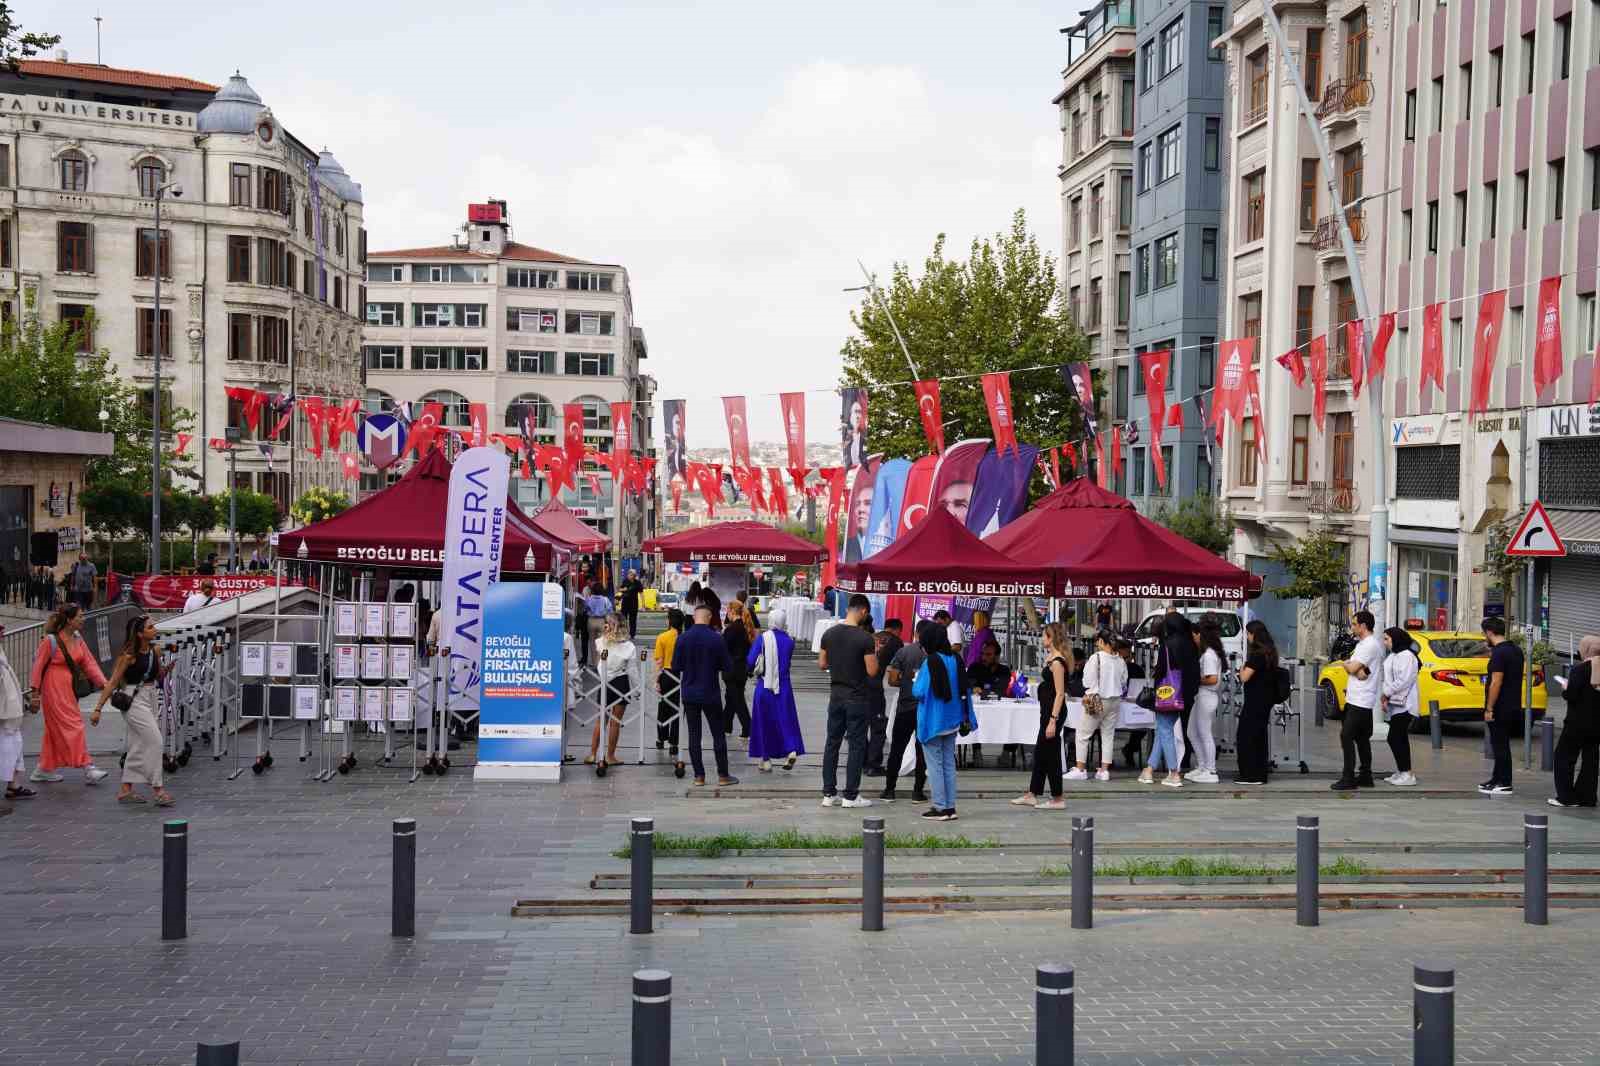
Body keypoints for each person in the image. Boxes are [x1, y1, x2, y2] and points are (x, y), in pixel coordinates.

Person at [91, 615, 175, 806]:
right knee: (155, 741)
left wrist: (166, 670)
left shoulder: (155, 650)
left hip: (150, 697)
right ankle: (158, 789)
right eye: (150, 627)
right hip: (134, 699)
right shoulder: (128, 656)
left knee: (138, 744)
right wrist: (98, 708)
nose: (155, 629)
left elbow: (156, 675)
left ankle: (125, 790)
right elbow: (112, 682)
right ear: (139, 634)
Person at [26, 604, 110, 785]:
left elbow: (89, 663)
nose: (83, 619)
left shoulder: (78, 638)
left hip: (68, 689)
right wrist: (35, 694)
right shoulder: (50, 641)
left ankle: (43, 769)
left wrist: (104, 684)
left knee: (54, 729)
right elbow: (37, 667)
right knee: (74, 725)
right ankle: (88, 767)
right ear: (69, 620)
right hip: (53, 689)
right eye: (80, 616)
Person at [817, 593, 879, 808]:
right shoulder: (865, 638)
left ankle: (828, 793)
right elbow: (872, 671)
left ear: (848, 609)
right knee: (856, 746)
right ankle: (850, 796)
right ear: (863, 611)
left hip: (836, 696)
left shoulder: (829, 634)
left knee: (832, 743)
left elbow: (822, 664)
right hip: (857, 698)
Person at [912, 623, 976, 821]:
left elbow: (919, 691)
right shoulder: (956, 659)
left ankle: (940, 807)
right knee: (948, 764)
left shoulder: (930, 662)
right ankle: (950, 806)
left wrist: (915, 679)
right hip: (953, 719)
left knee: (934, 766)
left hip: (933, 720)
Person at [670, 605, 737, 787]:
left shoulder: (683, 638)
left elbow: (676, 666)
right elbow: (727, 666)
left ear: (694, 617)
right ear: (709, 617)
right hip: (710, 692)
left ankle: (699, 776)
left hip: (689, 693)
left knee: (694, 735)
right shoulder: (716, 638)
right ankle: (723, 775)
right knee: (718, 734)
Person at [1012, 622, 1074, 807]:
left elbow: (1060, 693)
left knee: (1051, 754)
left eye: (1044, 636)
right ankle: (1033, 793)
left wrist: (1053, 721)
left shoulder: (1057, 662)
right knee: (1041, 752)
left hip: (1053, 714)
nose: (1041, 639)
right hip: (1047, 711)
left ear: (1051, 638)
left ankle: (1057, 797)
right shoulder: (1051, 658)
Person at [1331, 609, 1384, 791]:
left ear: (1363, 626)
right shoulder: (1363, 644)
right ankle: (1365, 775)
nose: (1352, 627)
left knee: (1346, 735)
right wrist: (1353, 667)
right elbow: (1359, 672)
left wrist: (1347, 664)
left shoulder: (1370, 645)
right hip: (1356, 697)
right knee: (1361, 738)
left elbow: (1354, 668)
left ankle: (1348, 777)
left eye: (1354, 624)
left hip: (1362, 699)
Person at [748, 608, 804, 772]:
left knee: (763, 722)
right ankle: (791, 749)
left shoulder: (763, 638)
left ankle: (765, 760)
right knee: (786, 719)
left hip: (765, 685)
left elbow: (750, 660)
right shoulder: (789, 641)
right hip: (784, 686)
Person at [881, 621, 929, 802]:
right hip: (925, 709)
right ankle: (918, 792)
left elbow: (892, 680)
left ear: (916, 633)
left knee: (897, 749)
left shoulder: (904, 652)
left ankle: (889, 790)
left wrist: (907, 682)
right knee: (922, 751)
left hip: (905, 707)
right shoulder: (935, 655)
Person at [1142, 614, 1191, 787]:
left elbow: (1161, 671)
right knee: (1163, 730)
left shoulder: (1167, 645)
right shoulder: (1189, 644)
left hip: (1166, 694)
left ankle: (1174, 773)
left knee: (1165, 731)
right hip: (1183, 695)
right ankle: (1149, 769)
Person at [1551, 635, 1600, 808]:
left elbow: (1572, 695)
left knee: (1564, 757)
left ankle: (1566, 797)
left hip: (1577, 722)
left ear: (1585, 649)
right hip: (1597, 723)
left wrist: (1566, 687)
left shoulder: (1580, 670)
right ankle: (1587, 796)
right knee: (1591, 759)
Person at [1068, 629, 1123, 783]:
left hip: (1097, 700)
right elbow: (1123, 680)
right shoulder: (1119, 659)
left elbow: (1086, 681)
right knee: (1108, 735)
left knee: (1083, 734)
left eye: (1097, 641)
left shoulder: (1096, 658)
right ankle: (1104, 771)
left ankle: (1080, 769)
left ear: (1101, 641)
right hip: (1115, 700)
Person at [587, 615, 638, 775]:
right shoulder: (629, 647)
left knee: (600, 720)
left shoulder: (600, 642)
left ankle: (593, 754)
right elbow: (632, 671)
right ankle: (610, 756)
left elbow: (599, 665)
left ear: (608, 626)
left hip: (605, 684)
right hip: (621, 683)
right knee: (615, 723)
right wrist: (637, 690)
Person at [1481, 616, 1523, 795]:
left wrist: (1489, 707)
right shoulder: (1515, 650)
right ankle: (1496, 778)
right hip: (1513, 703)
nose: (1484, 637)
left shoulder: (1499, 653)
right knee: (1500, 743)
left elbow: (1496, 682)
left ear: (1490, 632)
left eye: (1484, 633)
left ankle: (1505, 782)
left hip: (1500, 705)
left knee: (1500, 744)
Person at [1234, 620, 1279, 785]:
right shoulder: (1270, 652)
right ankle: (1259, 773)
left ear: (1255, 635)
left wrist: (1241, 668)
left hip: (1255, 701)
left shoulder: (1258, 654)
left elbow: (1244, 677)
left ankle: (1250, 774)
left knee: (1246, 736)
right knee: (1259, 737)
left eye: (1248, 633)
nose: (1247, 636)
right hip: (1264, 700)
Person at [1185, 620, 1225, 784]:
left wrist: (1194, 679)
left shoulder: (1209, 655)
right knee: (1192, 732)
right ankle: (1202, 766)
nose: (1194, 638)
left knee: (1204, 733)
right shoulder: (1209, 653)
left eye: (1195, 635)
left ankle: (1210, 769)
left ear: (1201, 635)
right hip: (1202, 696)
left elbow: (1212, 679)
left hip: (1206, 696)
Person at [1380, 626, 1421, 787]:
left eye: (1387, 639)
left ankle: (1407, 773)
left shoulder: (1407, 656)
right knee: (1399, 737)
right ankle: (1402, 771)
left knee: (1395, 737)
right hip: (1395, 704)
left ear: (1396, 639)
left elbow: (1404, 680)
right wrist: (1385, 696)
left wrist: (1386, 693)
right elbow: (1387, 679)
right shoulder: (1393, 656)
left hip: (1406, 704)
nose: (1385, 642)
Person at [0, 630, 37, 800]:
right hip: (4, 710)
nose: (2, 632)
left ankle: (13, 785)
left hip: (9, 710)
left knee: (14, 742)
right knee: (10, 743)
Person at [864, 620, 904, 775]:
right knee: (878, 726)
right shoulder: (896, 642)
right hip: (874, 687)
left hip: (859, 685)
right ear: (897, 630)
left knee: (861, 725)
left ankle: (861, 761)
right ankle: (873, 765)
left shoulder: (872, 637)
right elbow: (899, 667)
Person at [652, 608, 685, 766]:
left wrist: (656, 680)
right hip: (680, 675)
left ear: (669, 621)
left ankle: (661, 738)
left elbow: (659, 661)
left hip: (666, 674)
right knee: (677, 709)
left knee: (663, 707)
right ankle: (674, 743)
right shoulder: (684, 637)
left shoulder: (662, 637)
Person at [722, 601, 754, 740]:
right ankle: (726, 726)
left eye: (727, 611)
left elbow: (724, 648)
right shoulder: (744, 628)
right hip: (741, 669)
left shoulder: (731, 629)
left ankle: (749, 728)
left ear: (732, 611)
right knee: (732, 698)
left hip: (732, 669)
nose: (726, 614)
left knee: (737, 700)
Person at [619, 573, 643, 639]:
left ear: (634, 576)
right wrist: (623, 589)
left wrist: (643, 604)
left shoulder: (637, 583)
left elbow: (641, 593)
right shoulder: (625, 581)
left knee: (633, 620)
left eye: (631, 575)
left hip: (634, 603)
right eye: (629, 575)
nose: (629, 576)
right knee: (623, 619)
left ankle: (632, 634)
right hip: (625, 603)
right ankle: (623, 633)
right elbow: (620, 589)